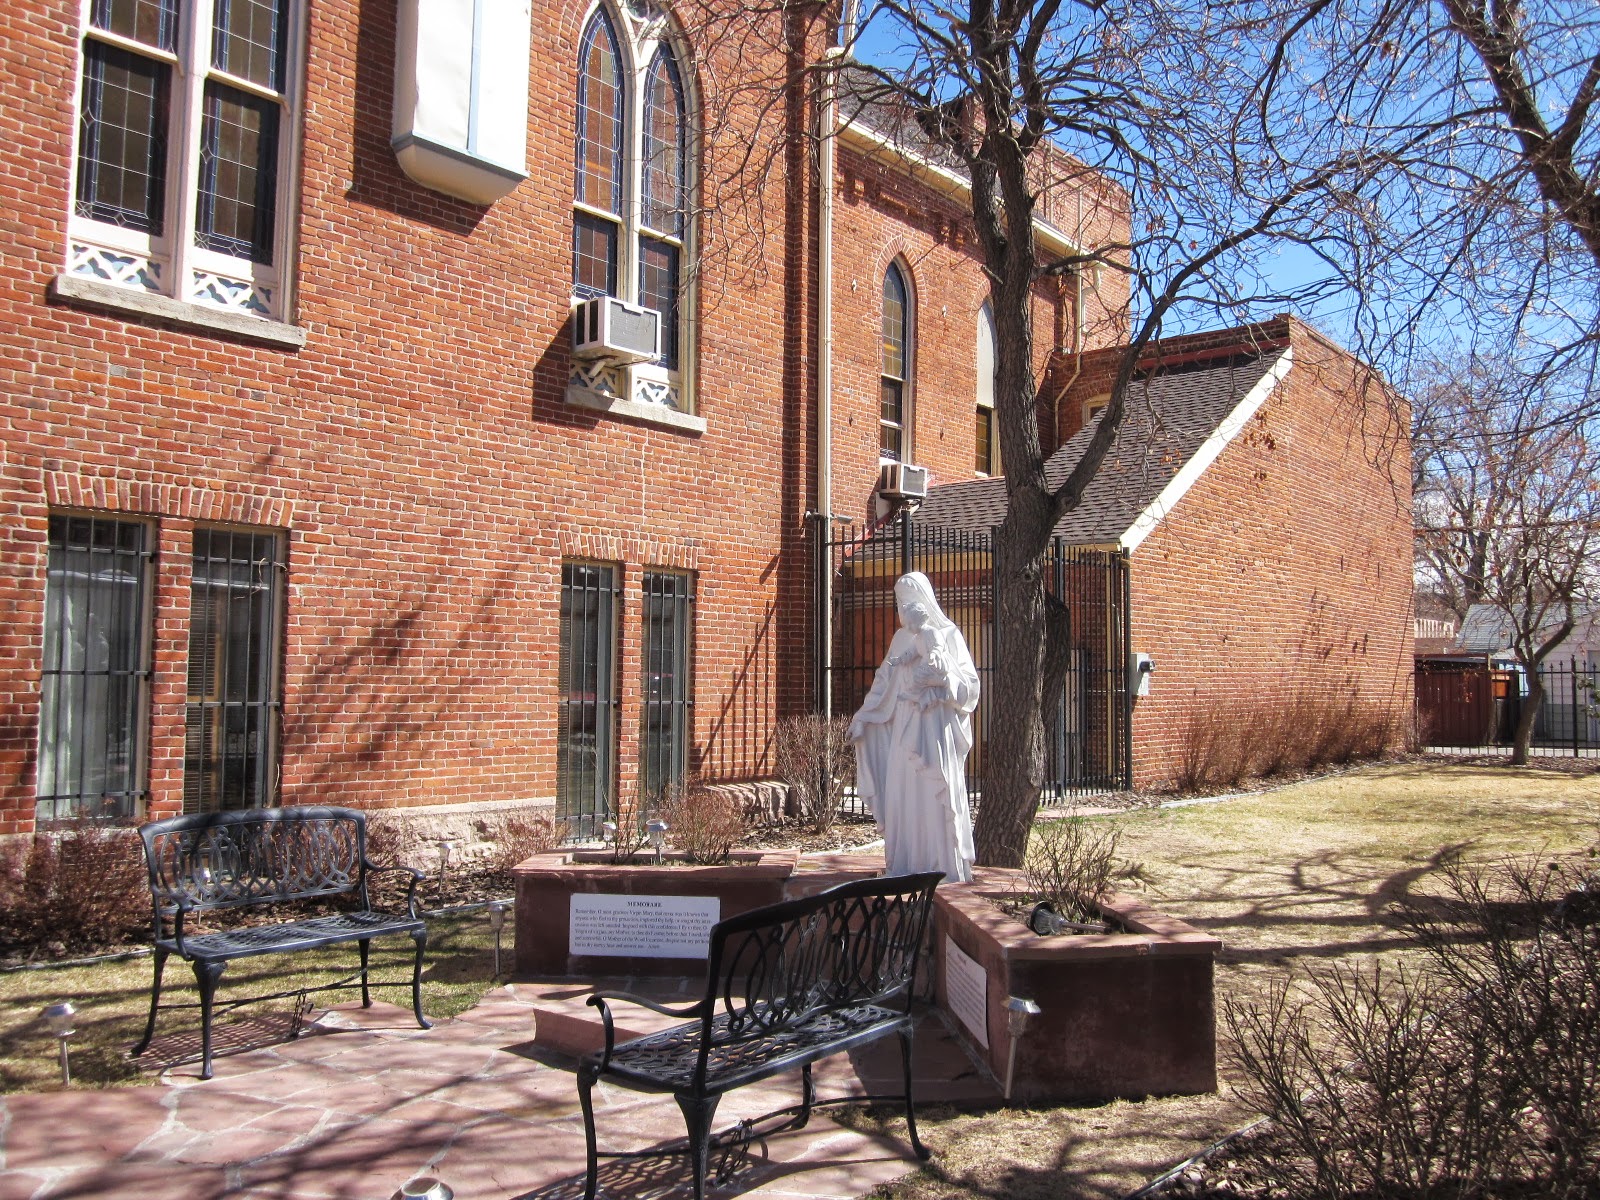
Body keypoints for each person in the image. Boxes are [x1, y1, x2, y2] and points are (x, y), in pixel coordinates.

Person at [849, 571, 980, 882]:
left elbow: (970, 686)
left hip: (934, 727)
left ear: (924, 602)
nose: (903, 608)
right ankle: (905, 864)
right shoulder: (900, 639)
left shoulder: (947, 634)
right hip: (905, 724)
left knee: (934, 793)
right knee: (902, 794)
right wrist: (864, 715)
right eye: (899, 602)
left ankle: (942, 866)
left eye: (908, 601)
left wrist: (944, 680)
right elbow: (883, 683)